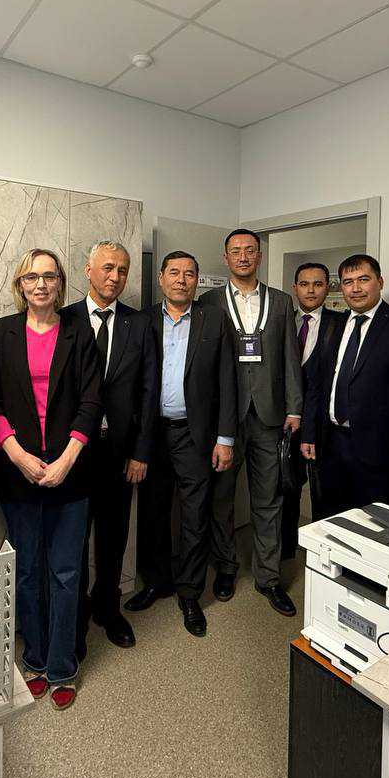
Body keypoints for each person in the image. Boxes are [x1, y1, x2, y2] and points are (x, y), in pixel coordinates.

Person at [0, 248, 102, 710]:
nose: (40, 284)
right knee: (29, 571)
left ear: (60, 284)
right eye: (31, 277)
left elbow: (91, 402)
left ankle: (62, 666)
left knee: (67, 573)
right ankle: (33, 659)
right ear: (20, 284)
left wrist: (68, 459)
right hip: (19, 473)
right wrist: (17, 455)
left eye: (49, 276)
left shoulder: (79, 331)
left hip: (71, 472)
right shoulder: (3, 332)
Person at [124, 251, 236, 638]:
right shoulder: (143, 321)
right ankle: (157, 582)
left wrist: (225, 438)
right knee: (153, 512)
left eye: (190, 274)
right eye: (174, 272)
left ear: (197, 280)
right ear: (161, 278)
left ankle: (190, 593)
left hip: (195, 434)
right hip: (152, 435)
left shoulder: (214, 319)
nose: (181, 280)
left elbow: (227, 379)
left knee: (195, 515)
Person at [199, 229, 302, 617]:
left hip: (270, 416)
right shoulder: (209, 301)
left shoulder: (281, 301)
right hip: (223, 418)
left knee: (268, 499)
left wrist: (295, 408)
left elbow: (290, 358)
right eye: (236, 251)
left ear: (259, 256)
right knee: (221, 498)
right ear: (225, 257)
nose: (243, 256)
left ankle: (268, 578)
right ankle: (226, 568)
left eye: (250, 251)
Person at [62, 240, 158, 652]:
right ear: (88, 270)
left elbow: (149, 391)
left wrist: (141, 452)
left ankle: (108, 608)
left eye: (122, 270)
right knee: (74, 538)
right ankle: (77, 615)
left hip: (120, 453)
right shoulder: (63, 319)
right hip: (73, 454)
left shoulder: (140, 324)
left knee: (114, 536)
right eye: (107, 268)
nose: (115, 277)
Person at [301, 253, 389, 516]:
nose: (356, 288)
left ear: (380, 282)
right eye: (348, 282)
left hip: (378, 451)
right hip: (330, 445)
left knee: (373, 525)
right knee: (329, 521)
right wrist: (309, 434)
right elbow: (319, 385)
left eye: (363, 279)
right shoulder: (334, 325)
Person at [281, 262, 346, 556]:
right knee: (287, 489)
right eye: (304, 284)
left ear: (328, 288)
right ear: (294, 288)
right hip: (286, 421)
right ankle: (286, 550)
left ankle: (322, 554)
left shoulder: (341, 323)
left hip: (324, 424)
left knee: (324, 491)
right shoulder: (282, 320)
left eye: (318, 284)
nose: (311, 290)